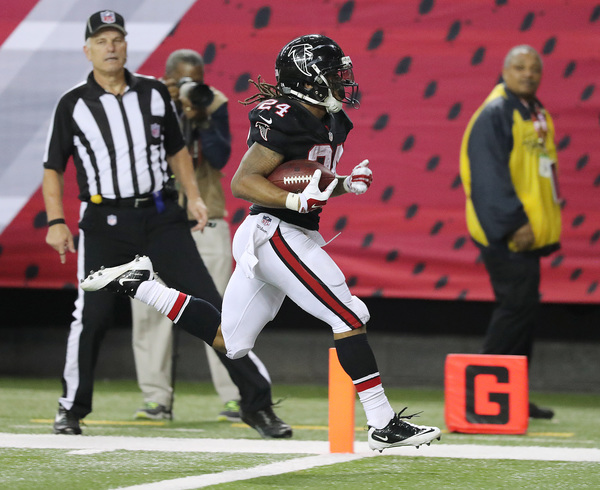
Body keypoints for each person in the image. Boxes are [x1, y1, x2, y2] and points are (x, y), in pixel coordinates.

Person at [81, 34, 442, 452]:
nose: (341, 81)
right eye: (332, 73)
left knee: (231, 343)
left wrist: (345, 183)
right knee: (348, 314)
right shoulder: (285, 116)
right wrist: (294, 201)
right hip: (275, 232)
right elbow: (243, 182)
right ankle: (382, 423)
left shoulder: (332, 119)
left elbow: (310, 179)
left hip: (286, 231)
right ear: (307, 79)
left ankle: (139, 284)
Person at [43, 10, 291, 438]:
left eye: (116, 39)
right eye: (101, 41)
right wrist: (56, 220)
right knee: (92, 316)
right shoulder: (73, 103)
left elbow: (177, 150)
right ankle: (71, 408)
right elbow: (53, 166)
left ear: (126, 45)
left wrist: (193, 196)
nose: (110, 47)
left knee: (211, 305)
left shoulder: (155, 92)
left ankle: (257, 405)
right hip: (103, 221)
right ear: (87, 50)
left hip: (160, 216)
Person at [130, 49, 263, 423]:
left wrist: (200, 118)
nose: (191, 86)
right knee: (148, 312)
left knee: (220, 311)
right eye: (182, 81)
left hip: (205, 221)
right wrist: (169, 109)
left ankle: (235, 395)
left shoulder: (213, 102)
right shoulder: (147, 102)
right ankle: (156, 398)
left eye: (197, 80)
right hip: (155, 222)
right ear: (167, 79)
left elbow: (220, 158)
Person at [459, 45, 562, 419]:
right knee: (514, 310)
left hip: (526, 233)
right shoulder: (496, 112)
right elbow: (488, 176)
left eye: (534, 68)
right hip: (508, 232)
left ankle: (510, 395)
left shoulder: (533, 111)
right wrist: (514, 222)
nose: (528, 74)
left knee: (523, 312)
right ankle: (479, 400)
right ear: (505, 71)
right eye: (520, 67)